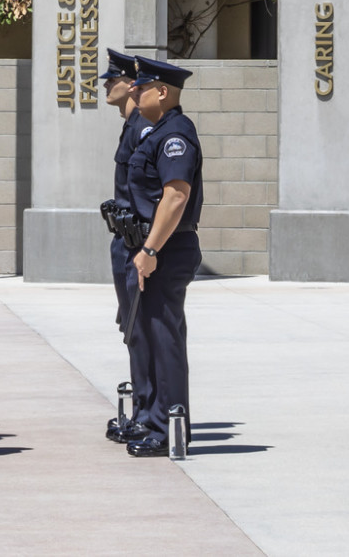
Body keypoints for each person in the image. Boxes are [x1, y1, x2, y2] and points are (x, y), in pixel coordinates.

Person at [121, 55, 201, 457]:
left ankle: (169, 426)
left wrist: (151, 248)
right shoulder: (157, 131)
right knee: (149, 336)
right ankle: (154, 420)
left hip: (167, 249)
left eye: (144, 86)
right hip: (152, 247)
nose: (135, 90)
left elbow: (175, 195)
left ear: (163, 91)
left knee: (164, 337)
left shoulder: (175, 134)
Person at [99, 49, 150, 443]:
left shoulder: (142, 128)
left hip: (136, 243)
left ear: (130, 84)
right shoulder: (129, 125)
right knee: (132, 330)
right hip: (124, 239)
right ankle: (142, 412)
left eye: (111, 79)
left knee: (142, 331)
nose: (104, 85)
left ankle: (149, 414)